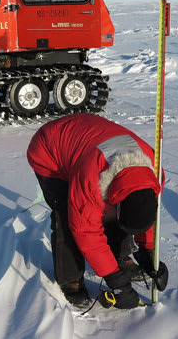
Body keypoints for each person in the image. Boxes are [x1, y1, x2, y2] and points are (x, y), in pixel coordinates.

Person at [27, 113, 169, 309]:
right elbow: (85, 231)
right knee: (68, 216)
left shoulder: (154, 174)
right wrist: (116, 282)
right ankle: (70, 279)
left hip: (88, 139)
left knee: (115, 213)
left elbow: (144, 210)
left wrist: (149, 251)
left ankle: (120, 257)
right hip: (50, 150)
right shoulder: (90, 182)